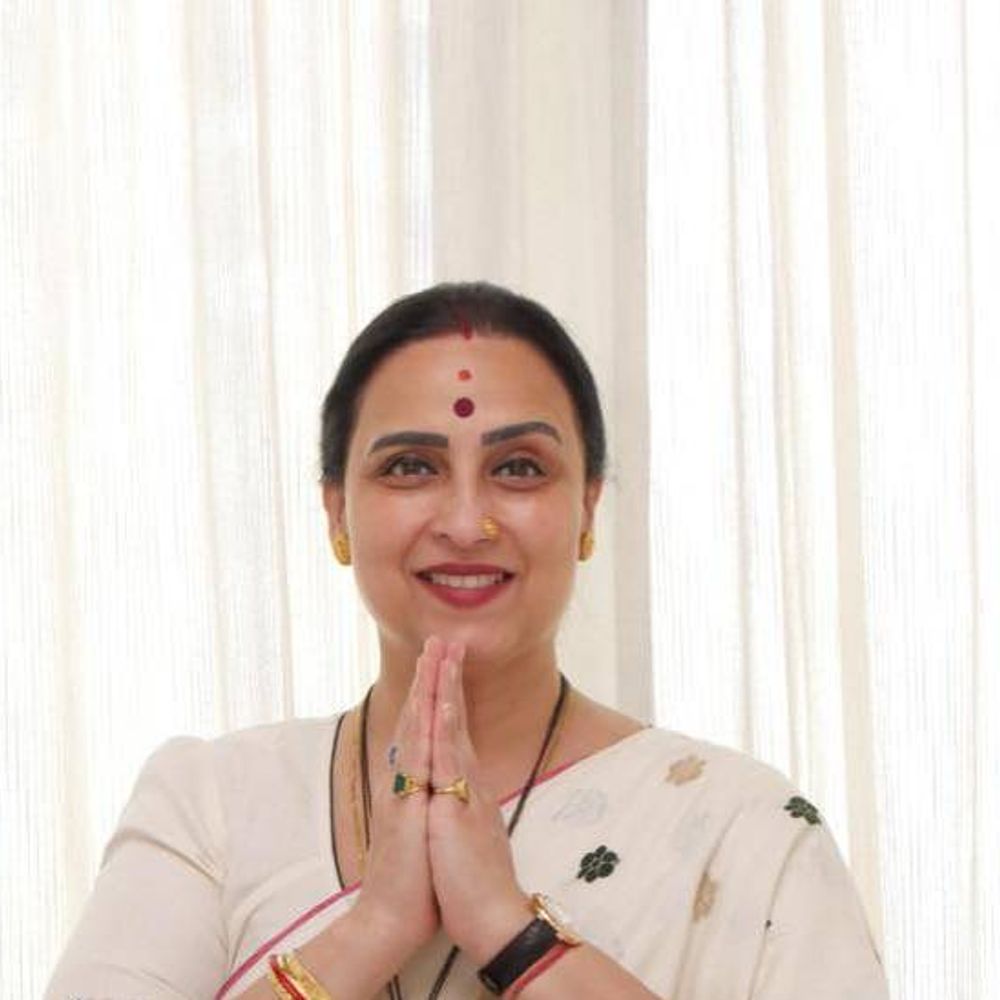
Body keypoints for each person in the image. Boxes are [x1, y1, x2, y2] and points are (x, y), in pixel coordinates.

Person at [46, 282, 889, 999]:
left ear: (587, 509)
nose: (464, 521)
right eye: (410, 467)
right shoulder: (214, 804)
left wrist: (512, 933)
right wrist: (372, 929)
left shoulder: (739, 829)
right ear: (336, 512)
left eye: (519, 468)